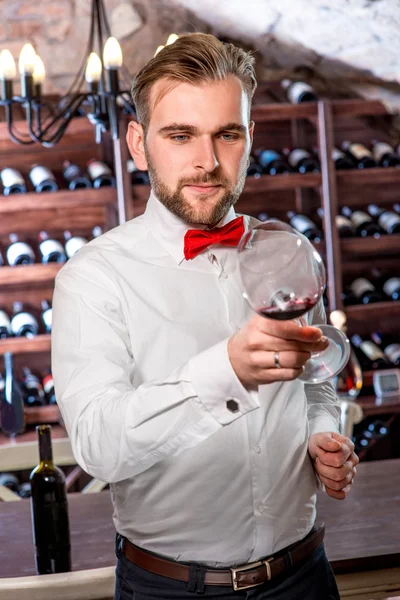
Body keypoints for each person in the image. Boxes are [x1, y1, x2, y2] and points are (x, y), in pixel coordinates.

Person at [51, 32, 359, 600]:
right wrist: (228, 371)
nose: (207, 161)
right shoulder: (93, 278)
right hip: (169, 591)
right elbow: (98, 444)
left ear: (248, 137)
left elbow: (316, 380)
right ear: (139, 144)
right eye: (180, 135)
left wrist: (322, 433)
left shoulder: (287, 250)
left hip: (306, 579)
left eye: (227, 134)